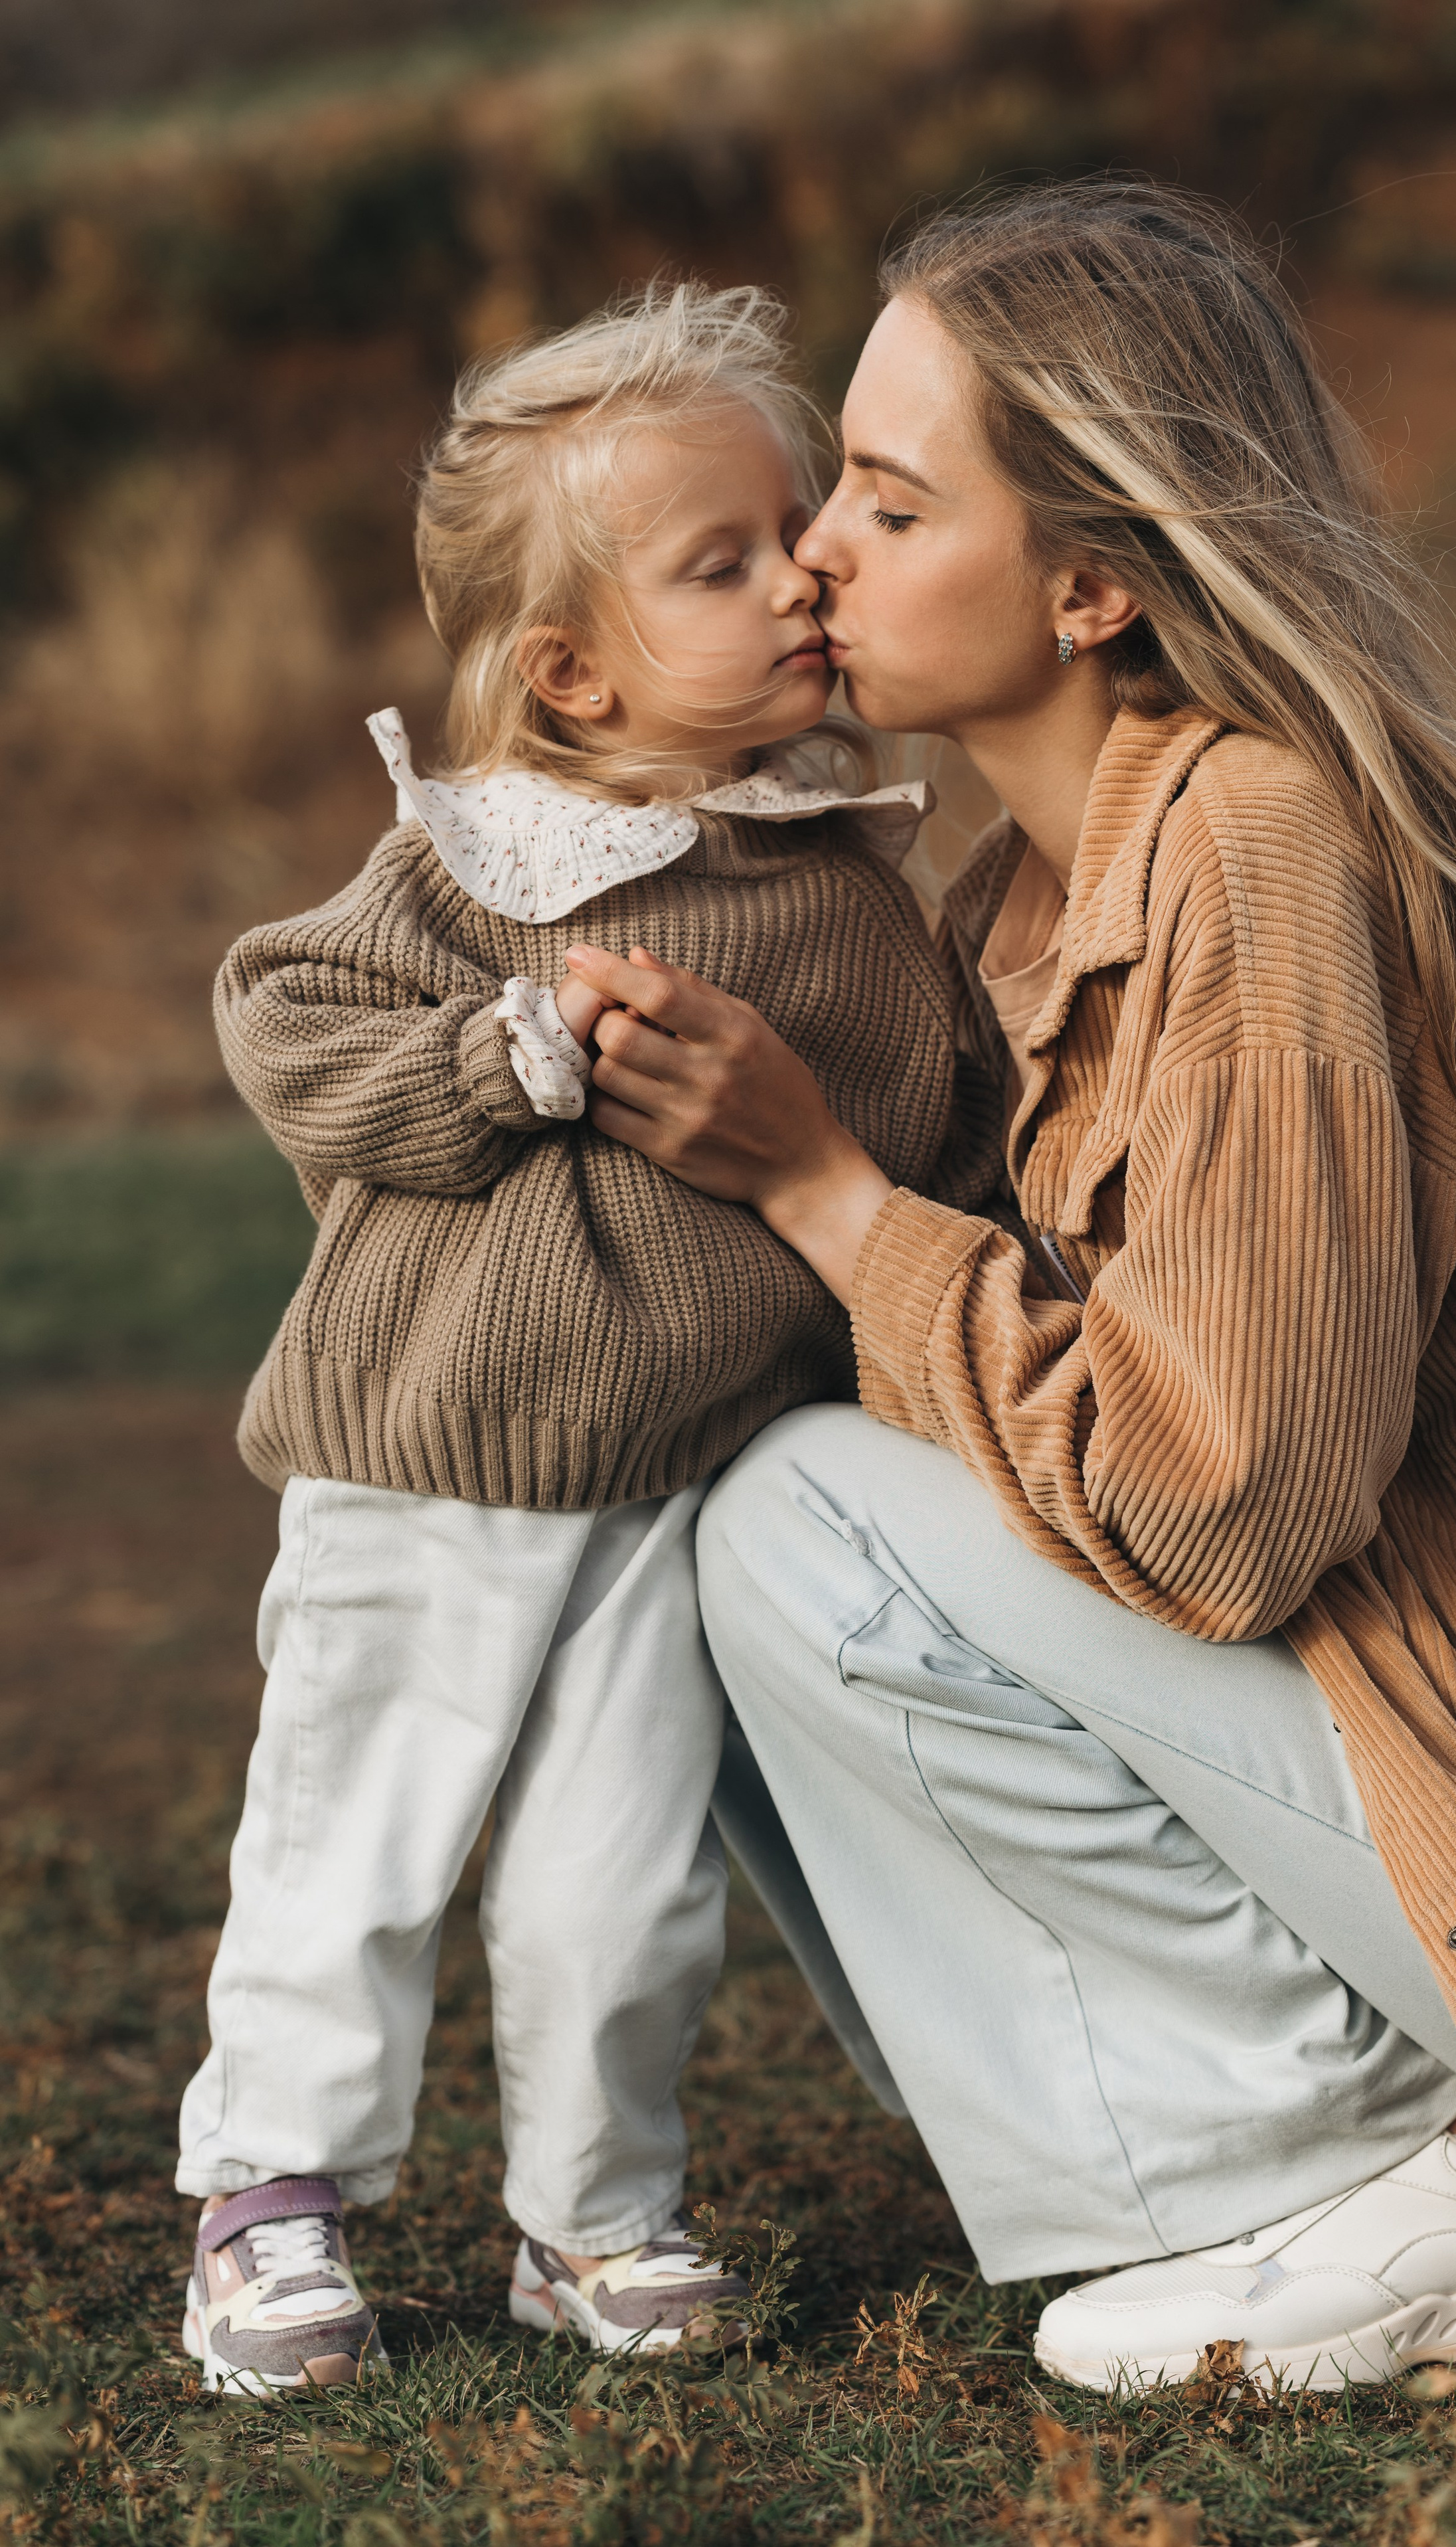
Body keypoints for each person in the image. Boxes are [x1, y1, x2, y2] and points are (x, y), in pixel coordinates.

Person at [559, 181, 1456, 2393]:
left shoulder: (1257, 840)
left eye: (886, 507)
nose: (809, 561)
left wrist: (827, 1196)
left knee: (804, 1517)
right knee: (701, 1512)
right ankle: (1344, 2162)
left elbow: (1219, 1503)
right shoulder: (1016, 903)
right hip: (1446, 1770)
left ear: (1089, 580)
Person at [176, 282, 996, 2396]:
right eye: (720, 564)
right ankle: (271, 2199)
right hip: (425, 1452)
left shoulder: (846, 890)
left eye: (800, 526)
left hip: (671, 1484)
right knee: (353, 1852)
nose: (799, 576)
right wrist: (499, 1055)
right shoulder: (478, 854)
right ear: (569, 662)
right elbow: (284, 1027)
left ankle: (592, 2212)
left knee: (621, 1890)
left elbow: (929, 1139)